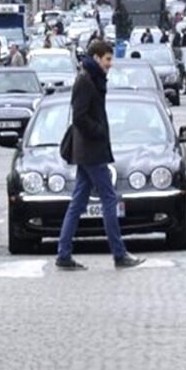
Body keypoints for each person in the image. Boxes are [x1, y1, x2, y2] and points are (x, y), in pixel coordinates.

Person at [55, 40, 145, 271]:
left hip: (88, 150)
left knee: (78, 202)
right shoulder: (85, 80)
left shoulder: (91, 78)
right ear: (96, 58)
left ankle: (64, 253)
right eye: (107, 59)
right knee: (109, 199)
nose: (110, 64)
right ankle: (119, 253)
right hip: (91, 150)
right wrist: (99, 132)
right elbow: (80, 117)